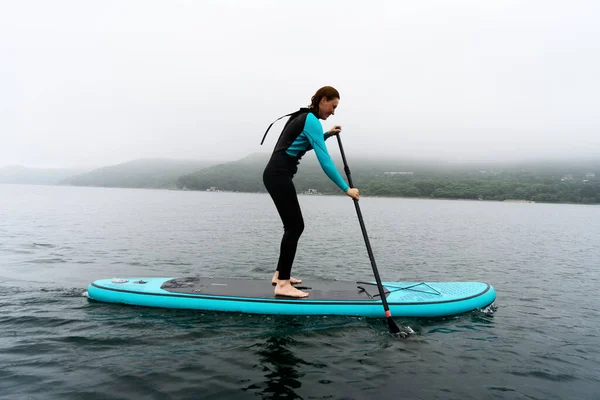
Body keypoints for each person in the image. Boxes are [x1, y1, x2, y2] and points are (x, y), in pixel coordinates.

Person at [262, 86, 360, 298]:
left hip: (275, 174)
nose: (333, 112)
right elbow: (324, 160)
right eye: (333, 106)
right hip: (278, 175)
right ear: (323, 100)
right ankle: (283, 284)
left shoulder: (304, 117)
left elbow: (301, 145)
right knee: (295, 226)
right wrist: (346, 188)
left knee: (293, 225)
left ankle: (280, 275)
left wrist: (326, 135)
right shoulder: (310, 120)